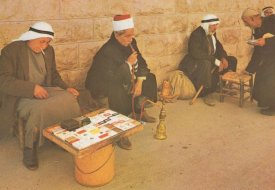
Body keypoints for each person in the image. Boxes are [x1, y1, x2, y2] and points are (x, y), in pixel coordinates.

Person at [0, 22, 81, 170]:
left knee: (70, 100)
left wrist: (66, 87)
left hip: (45, 90)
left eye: (47, 42)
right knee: (39, 110)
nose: (44, 46)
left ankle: (64, 137)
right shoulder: (11, 51)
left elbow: (54, 75)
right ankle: (30, 148)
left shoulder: (49, 51)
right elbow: (3, 80)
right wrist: (32, 88)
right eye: (41, 41)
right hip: (21, 95)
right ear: (31, 37)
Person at [85, 14, 157, 150]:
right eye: (127, 36)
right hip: (103, 85)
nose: (131, 40)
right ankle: (120, 130)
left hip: (122, 79)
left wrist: (139, 83)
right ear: (117, 35)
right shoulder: (107, 51)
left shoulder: (131, 42)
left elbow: (142, 63)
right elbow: (111, 78)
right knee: (117, 91)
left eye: (132, 35)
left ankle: (138, 111)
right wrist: (127, 64)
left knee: (150, 78)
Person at [179, 14, 237, 106]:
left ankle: (223, 86)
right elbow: (195, 53)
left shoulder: (212, 32)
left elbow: (218, 46)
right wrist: (215, 61)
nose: (215, 27)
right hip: (197, 62)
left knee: (232, 60)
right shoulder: (196, 34)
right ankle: (206, 93)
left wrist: (223, 58)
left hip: (211, 59)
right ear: (207, 25)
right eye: (213, 25)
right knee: (206, 64)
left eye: (216, 25)